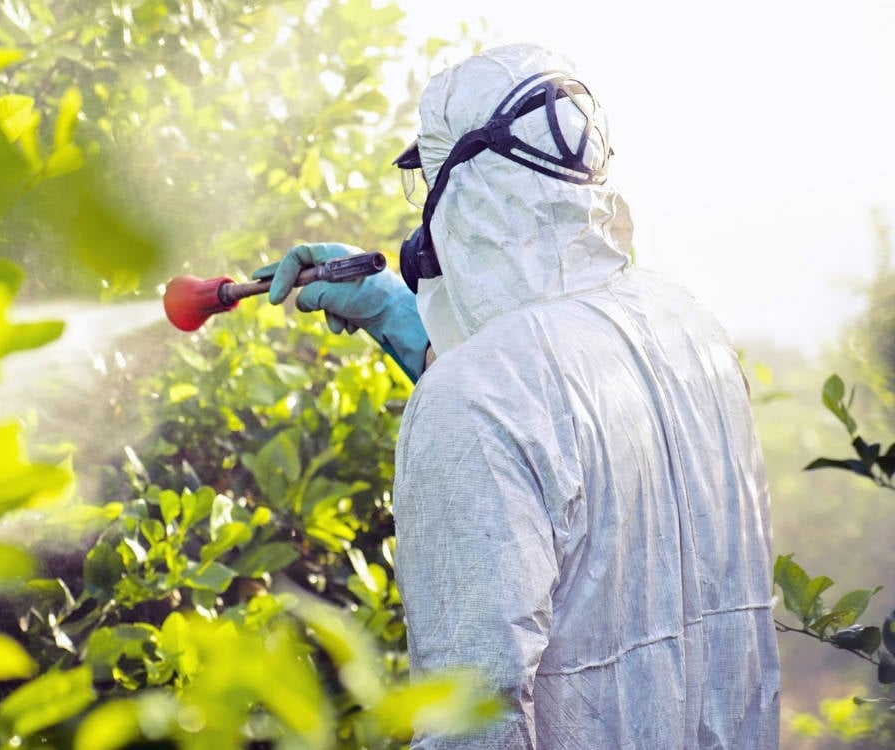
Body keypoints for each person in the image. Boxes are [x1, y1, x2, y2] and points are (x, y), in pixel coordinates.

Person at [259, 43, 781, 748]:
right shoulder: (691, 334)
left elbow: (472, 720)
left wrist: (443, 372)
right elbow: (561, 420)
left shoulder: (474, 402)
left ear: (467, 193)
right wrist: (397, 315)